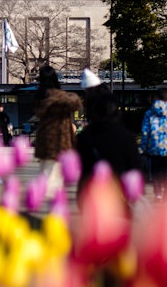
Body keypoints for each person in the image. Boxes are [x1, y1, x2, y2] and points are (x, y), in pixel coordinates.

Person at [76, 81, 140, 197]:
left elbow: (79, 166)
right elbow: (135, 169)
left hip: (90, 195)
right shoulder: (127, 137)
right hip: (118, 195)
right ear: (117, 111)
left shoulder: (85, 136)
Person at [32, 65, 82, 197]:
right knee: (57, 176)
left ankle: (43, 197)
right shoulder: (65, 98)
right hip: (62, 139)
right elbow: (76, 104)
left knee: (46, 171)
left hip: (46, 138)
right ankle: (56, 203)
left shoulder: (40, 97)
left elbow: (38, 112)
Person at [142, 87, 167, 199]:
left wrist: (143, 147)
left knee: (156, 171)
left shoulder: (149, 113)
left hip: (154, 147)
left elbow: (145, 131)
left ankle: (158, 193)